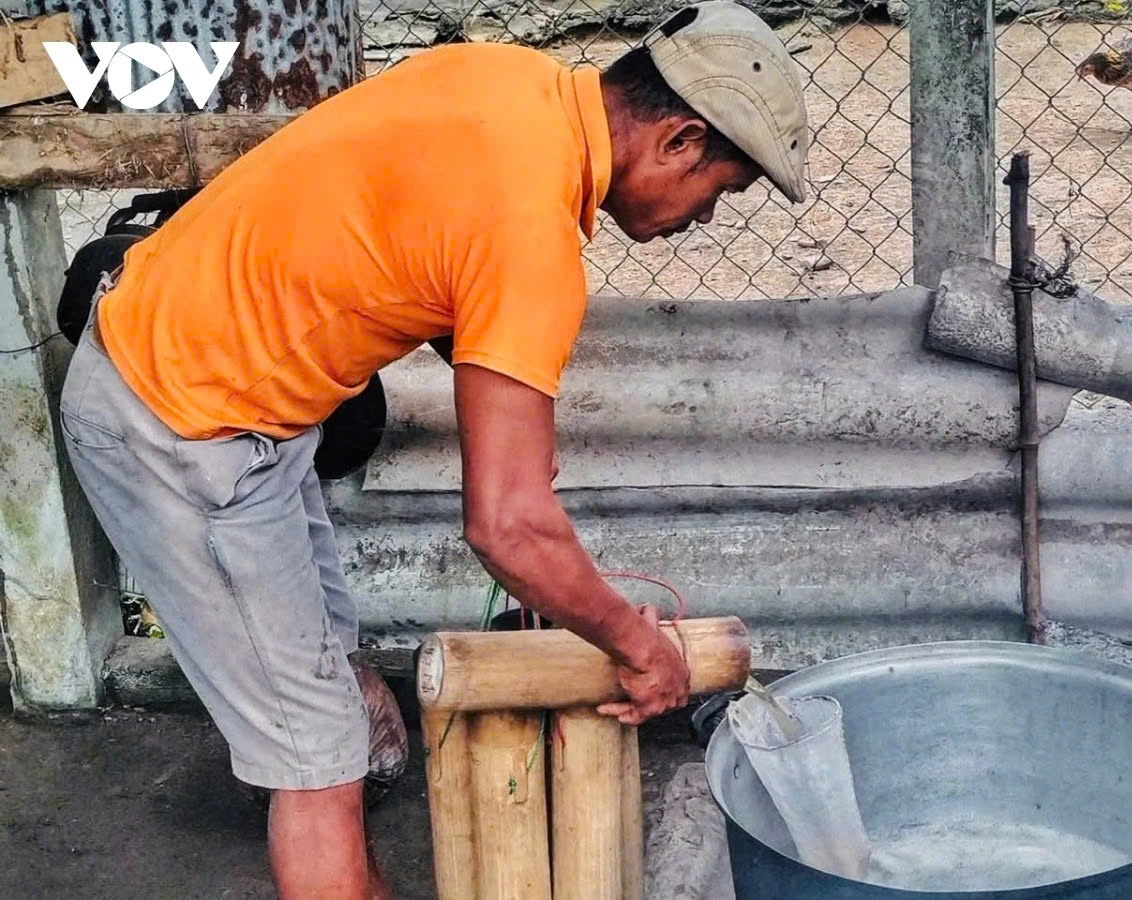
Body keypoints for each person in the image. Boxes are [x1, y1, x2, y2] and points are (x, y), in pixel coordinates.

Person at [58, 2, 809, 897]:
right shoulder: (531, 233)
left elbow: (417, 236)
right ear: (680, 140)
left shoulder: (506, 80)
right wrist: (639, 648)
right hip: (181, 426)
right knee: (318, 766)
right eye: (721, 190)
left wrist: (515, 418)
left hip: (216, 379)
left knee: (330, 696)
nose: (707, 220)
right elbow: (508, 532)